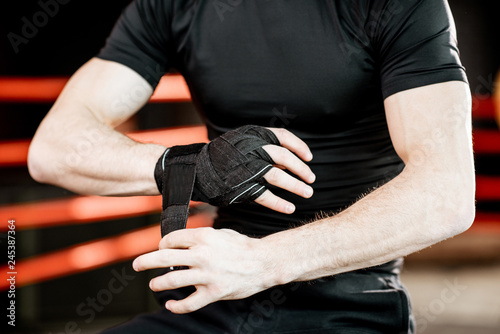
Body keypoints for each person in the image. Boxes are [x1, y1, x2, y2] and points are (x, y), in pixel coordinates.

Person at [27, 0, 475, 333]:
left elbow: (446, 193)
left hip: (350, 304)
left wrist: (262, 262)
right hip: (216, 298)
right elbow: (50, 150)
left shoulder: (401, 5)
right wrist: (192, 168)